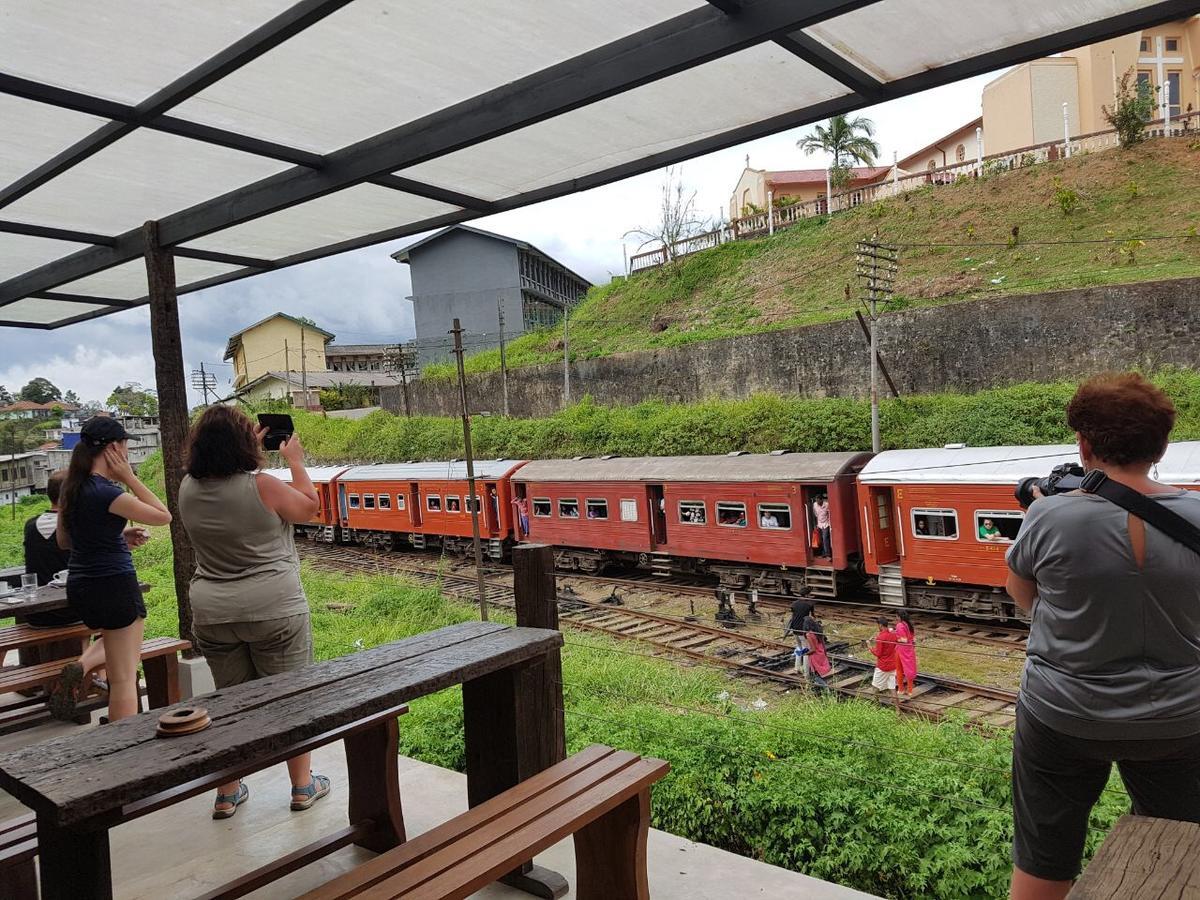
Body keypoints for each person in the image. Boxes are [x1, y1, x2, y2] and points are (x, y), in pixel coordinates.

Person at [1005, 373, 1200, 900]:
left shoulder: (1048, 516)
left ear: (1084, 444)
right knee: (1177, 845)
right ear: (1160, 448)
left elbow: (1025, 597)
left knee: (1043, 856)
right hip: (1180, 718)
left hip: (1062, 714)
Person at [178, 406, 330, 820]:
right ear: (245, 443)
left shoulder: (187, 488)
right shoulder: (262, 485)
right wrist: (295, 462)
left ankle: (227, 791)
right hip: (273, 609)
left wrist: (246, 442)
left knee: (230, 703)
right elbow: (309, 507)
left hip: (212, 612)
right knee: (290, 700)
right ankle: (302, 786)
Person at [52, 417, 170, 722]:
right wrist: (130, 477)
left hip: (81, 584)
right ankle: (124, 752)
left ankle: (84, 663)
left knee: (118, 660)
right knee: (123, 678)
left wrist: (115, 535)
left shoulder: (71, 489)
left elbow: (65, 541)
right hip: (114, 585)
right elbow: (163, 516)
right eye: (126, 444)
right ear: (113, 448)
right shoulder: (107, 492)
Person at [869, 616, 897, 692]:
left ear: (880, 625)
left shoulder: (880, 637)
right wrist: (877, 640)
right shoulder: (893, 634)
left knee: (875, 685)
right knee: (892, 688)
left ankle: (875, 702)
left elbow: (878, 654)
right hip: (893, 665)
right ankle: (896, 704)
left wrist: (870, 647)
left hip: (883, 666)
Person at [893, 610, 917, 697]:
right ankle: (910, 691)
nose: (896, 618)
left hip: (901, 650)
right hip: (909, 649)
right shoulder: (909, 624)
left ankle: (901, 689)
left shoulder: (899, 625)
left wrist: (895, 638)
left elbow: (904, 640)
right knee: (909, 669)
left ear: (899, 617)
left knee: (899, 670)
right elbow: (913, 639)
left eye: (896, 617)